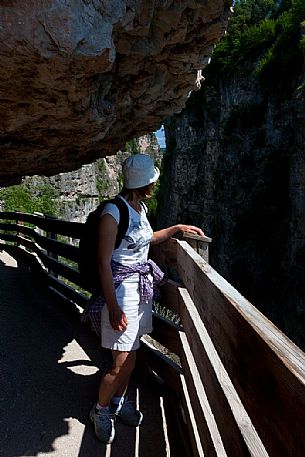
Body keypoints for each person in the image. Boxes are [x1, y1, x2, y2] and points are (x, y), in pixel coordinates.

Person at [89, 153, 204, 443]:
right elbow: (104, 263)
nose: (155, 183)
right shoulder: (113, 213)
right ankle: (100, 410)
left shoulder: (139, 208)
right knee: (121, 360)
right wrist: (113, 308)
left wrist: (176, 229)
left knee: (132, 355)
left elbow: (147, 238)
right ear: (145, 182)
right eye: (152, 179)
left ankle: (117, 402)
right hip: (120, 294)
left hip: (139, 292)